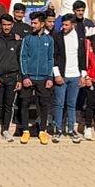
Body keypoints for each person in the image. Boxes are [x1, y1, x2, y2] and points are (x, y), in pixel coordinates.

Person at [18, 9, 56, 145]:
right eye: (31, 23)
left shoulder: (49, 40)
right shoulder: (27, 39)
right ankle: (25, 131)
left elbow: (51, 59)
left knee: (44, 104)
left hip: (44, 78)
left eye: (35, 23)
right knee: (24, 103)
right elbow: (23, 58)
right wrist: (25, 76)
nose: (32, 25)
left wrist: (50, 77)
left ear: (42, 24)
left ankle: (42, 131)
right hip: (29, 77)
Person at [0, 12, 23, 141]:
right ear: (1, 25)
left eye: (8, 24)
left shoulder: (18, 41)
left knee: (9, 105)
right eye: (4, 25)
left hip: (12, 78)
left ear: (12, 25)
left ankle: (6, 130)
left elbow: (20, 60)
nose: (6, 27)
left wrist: (19, 79)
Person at [53, 11, 86, 141]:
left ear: (73, 25)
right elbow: (54, 57)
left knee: (72, 105)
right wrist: (57, 74)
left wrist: (83, 75)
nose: (64, 27)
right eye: (63, 25)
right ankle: (58, 130)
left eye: (67, 25)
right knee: (59, 104)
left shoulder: (80, 37)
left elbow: (82, 57)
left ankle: (71, 129)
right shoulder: (57, 36)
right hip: (62, 76)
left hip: (75, 76)